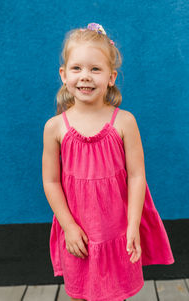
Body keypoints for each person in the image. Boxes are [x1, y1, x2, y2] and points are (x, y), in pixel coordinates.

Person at [42, 23, 175, 301]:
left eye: (95, 69)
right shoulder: (55, 127)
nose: (85, 77)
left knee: (115, 293)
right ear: (63, 75)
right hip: (77, 229)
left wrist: (133, 225)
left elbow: (137, 176)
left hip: (115, 230)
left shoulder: (124, 122)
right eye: (77, 68)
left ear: (111, 77)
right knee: (78, 292)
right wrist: (68, 226)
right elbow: (51, 180)